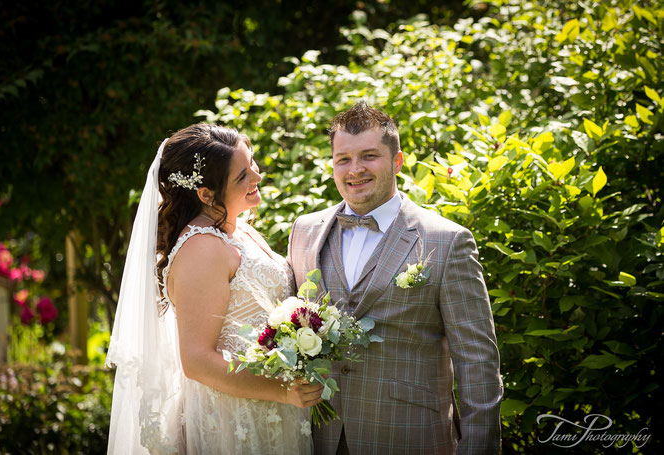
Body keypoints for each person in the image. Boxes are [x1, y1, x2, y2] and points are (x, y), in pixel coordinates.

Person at [287, 102, 503, 454]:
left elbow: (478, 362)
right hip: (318, 436)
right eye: (343, 159)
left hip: (410, 436)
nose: (355, 170)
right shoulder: (304, 231)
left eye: (369, 156)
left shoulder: (446, 241)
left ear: (397, 162)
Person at [106, 123, 323, 454]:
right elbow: (197, 360)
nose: (257, 177)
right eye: (242, 176)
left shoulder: (240, 231)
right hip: (235, 421)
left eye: (252, 164)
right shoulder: (202, 250)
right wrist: (281, 390)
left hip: (272, 409)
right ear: (206, 194)